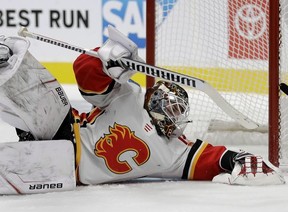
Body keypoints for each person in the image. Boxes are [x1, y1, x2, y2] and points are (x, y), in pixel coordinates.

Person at [0, 27, 285, 194]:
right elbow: (83, 73)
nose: (174, 116)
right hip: (63, 130)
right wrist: (105, 61)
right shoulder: (128, 96)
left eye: (178, 111)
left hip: (60, 169)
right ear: (155, 104)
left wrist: (241, 159)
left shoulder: (178, 151)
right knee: (30, 85)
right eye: (170, 108)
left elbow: (218, 158)